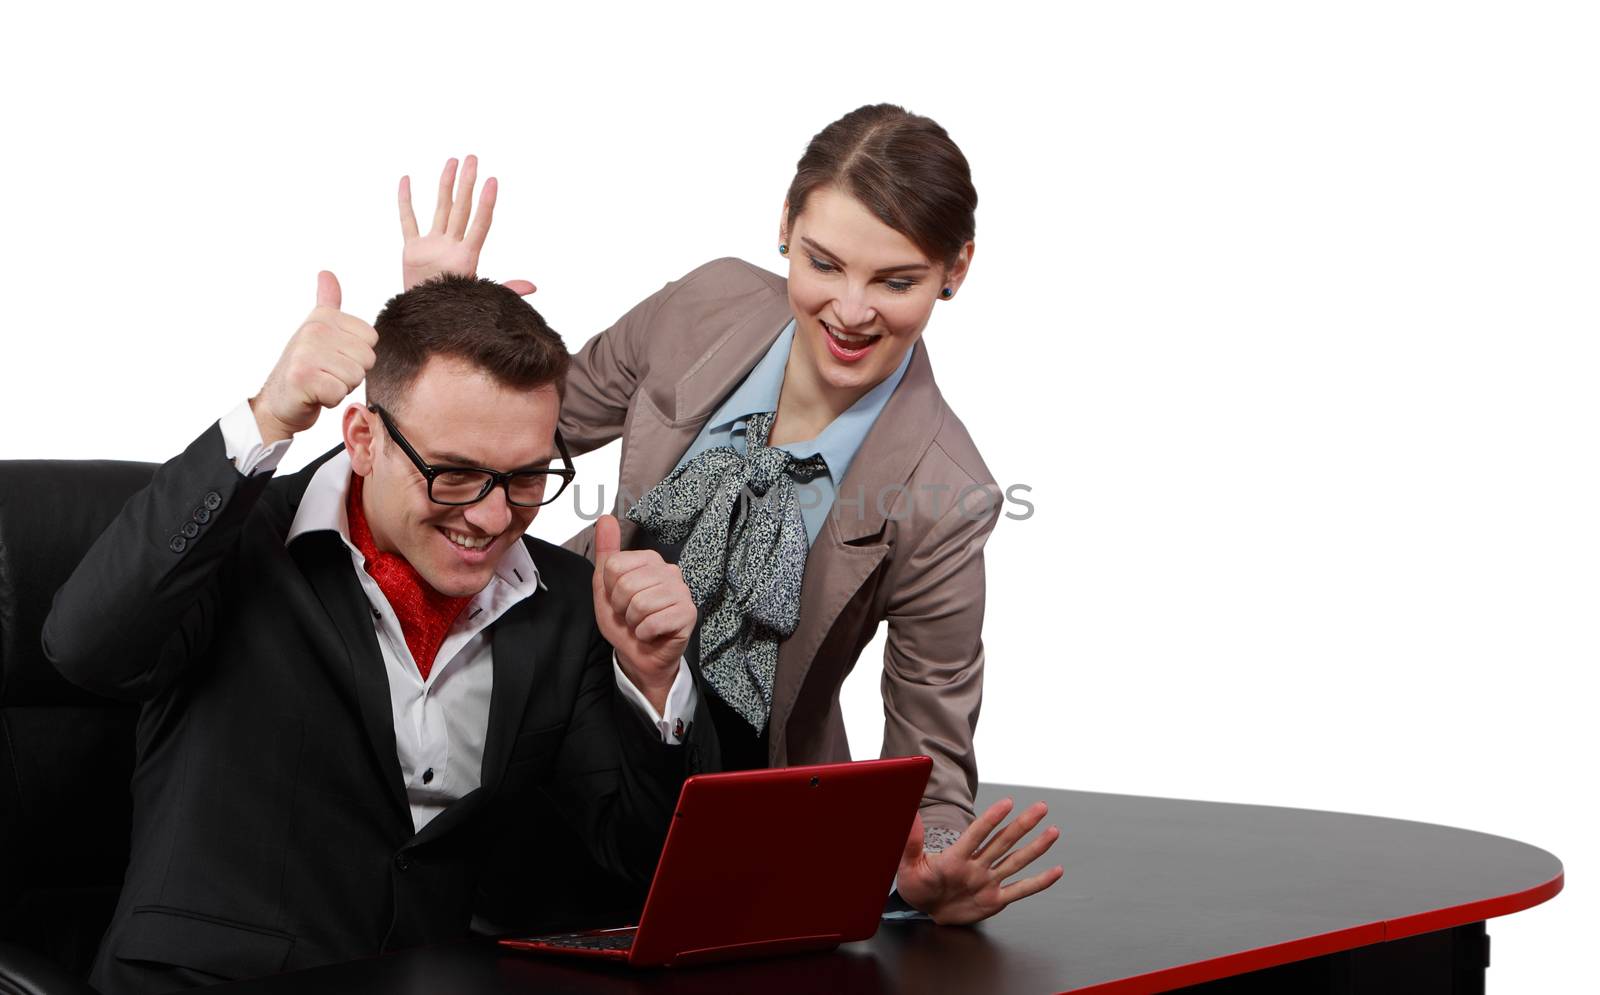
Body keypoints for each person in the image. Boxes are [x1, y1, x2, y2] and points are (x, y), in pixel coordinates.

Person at [399, 103, 1062, 926]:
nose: (852, 311)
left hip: (727, 807)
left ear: (955, 268)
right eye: (825, 263)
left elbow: (933, 744)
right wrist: (443, 329)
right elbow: (531, 431)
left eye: (897, 281)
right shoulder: (705, 305)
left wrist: (926, 865)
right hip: (554, 698)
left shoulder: (948, 492)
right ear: (784, 225)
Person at [42, 271, 704, 992]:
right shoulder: (233, 547)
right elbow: (85, 646)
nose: (489, 517)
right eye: (453, 474)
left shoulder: (569, 604)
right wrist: (267, 417)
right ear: (363, 439)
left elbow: (636, 861)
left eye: (525, 477)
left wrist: (652, 681)